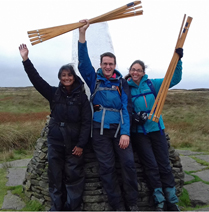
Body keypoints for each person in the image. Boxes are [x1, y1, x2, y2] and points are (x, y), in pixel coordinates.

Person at [19, 44, 92, 211]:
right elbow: (36, 80)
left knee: (74, 177)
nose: (66, 78)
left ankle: (72, 207)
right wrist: (25, 59)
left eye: (69, 75)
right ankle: (56, 208)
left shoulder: (82, 98)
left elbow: (86, 123)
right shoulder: (53, 93)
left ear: (74, 77)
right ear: (60, 78)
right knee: (55, 176)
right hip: (56, 142)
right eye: (63, 75)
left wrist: (81, 145)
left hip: (74, 145)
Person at [77, 20, 139, 211]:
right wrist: (82, 36)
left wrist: (126, 133)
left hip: (119, 130)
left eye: (111, 64)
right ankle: (117, 206)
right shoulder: (94, 78)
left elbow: (126, 109)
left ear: (115, 65)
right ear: (101, 64)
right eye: (105, 63)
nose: (108, 66)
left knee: (128, 164)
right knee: (107, 168)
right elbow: (83, 63)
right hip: (99, 131)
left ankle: (133, 204)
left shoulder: (121, 83)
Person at [125, 48, 183, 211]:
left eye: (138, 70)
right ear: (130, 71)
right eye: (133, 69)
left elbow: (174, 79)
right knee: (150, 166)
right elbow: (123, 107)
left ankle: (171, 200)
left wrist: (178, 60)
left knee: (164, 164)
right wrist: (133, 117)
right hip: (139, 134)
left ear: (143, 72)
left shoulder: (153, 84)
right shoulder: (126, 88)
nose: (135, 72)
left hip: (157, 130)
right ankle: (159, 200)